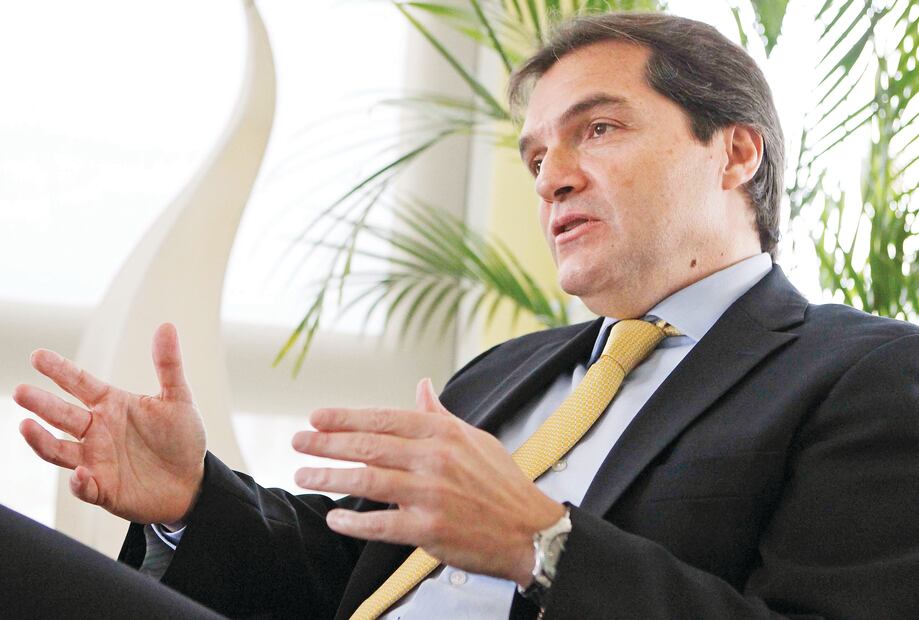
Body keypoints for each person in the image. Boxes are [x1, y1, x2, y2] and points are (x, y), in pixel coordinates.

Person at [9, 11, 919, 620]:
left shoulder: (863, 376)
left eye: (598, 129)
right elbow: (349, 571)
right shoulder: (505, 373)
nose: (552, 177)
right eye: (536, 158)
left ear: (735, 152)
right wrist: (190, 500)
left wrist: (540, 543)